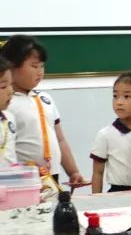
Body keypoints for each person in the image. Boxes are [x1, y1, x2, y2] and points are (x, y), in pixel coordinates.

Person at [0, 35, 86, 186]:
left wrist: (73, 171)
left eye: (42, 66)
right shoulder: (7, 105)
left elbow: (60, 139)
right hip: (23, 179)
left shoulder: (46, 99)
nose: (40, 72)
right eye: (34, 66)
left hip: (52, 175)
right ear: (12, 67)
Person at [90, 72, 131, 192]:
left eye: (127, 96)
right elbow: (98, 173)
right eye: (115, 96)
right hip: (117, 194)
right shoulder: (105, 135)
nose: (119, 102)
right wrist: (96, 201)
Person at [0, 58, 16, 166]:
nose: (11, 91)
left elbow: (10, 158)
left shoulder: (9, 117)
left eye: (11, 84)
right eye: (3, 86)